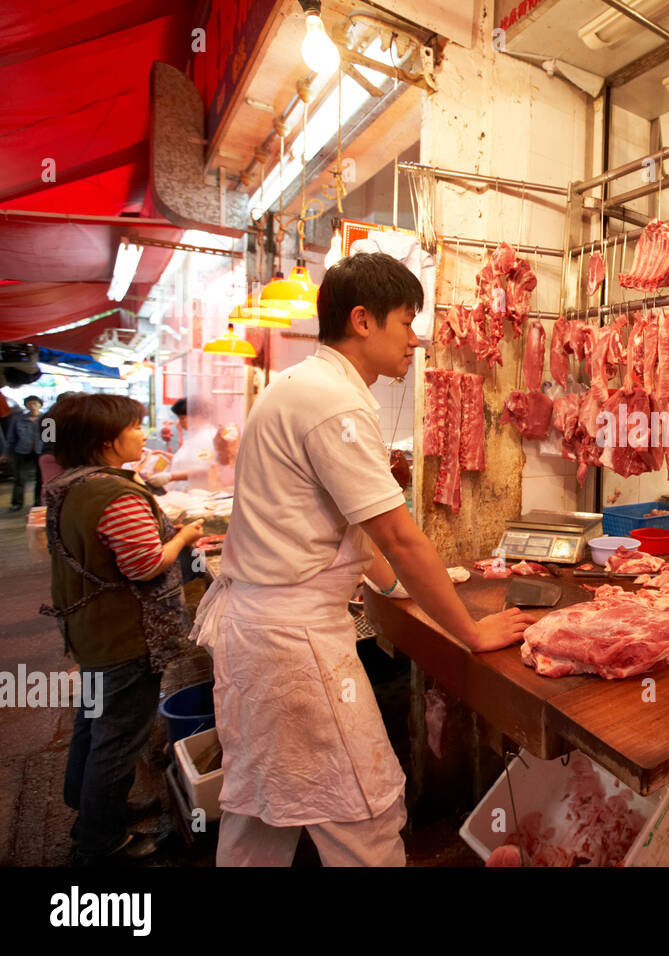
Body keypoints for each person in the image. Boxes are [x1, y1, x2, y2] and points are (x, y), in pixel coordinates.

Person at [190, 252, 530, 867]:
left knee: (262, 812)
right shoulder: (335, 405)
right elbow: (399, 536)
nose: (415, 340)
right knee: (364, 814)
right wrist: (471, 632)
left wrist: (397, 588)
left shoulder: (297, 386)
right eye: (406, 321)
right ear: (363, 320)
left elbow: (356, 534)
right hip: (296, 647)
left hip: (258, 634)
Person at [40, 394, 204, 865]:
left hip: (92, 634)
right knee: (118, 739)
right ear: (107, 440)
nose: (141, 433)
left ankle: (93, 808)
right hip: (126, 636)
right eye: (135, 427)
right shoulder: (114, 494)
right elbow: (146, 564)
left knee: (93, 726)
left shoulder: (73, 483)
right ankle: (99, 842)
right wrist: (186, 536)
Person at [159, 398, 218, 491]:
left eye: (182, 418)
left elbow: (206, 469)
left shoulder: (208, 436)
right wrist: (167, 456)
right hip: (183, 493)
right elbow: (189, 460)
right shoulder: (194, 436)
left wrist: (171, 476)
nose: (179, 423)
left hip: (199, 493)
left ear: (198, 416)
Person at [7, 394, 46, 511]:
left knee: (40, 479)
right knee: (19, 478)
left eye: (35, 403)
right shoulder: (18, 419)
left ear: (40, 405)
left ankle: (38, 502)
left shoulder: (47, 419)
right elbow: (11, 437)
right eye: (29, 403)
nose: (32, 406)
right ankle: (17, 503)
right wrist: (6, 453)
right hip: (21, 452)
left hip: (41, 452)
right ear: (26, 406)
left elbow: (51, 438)